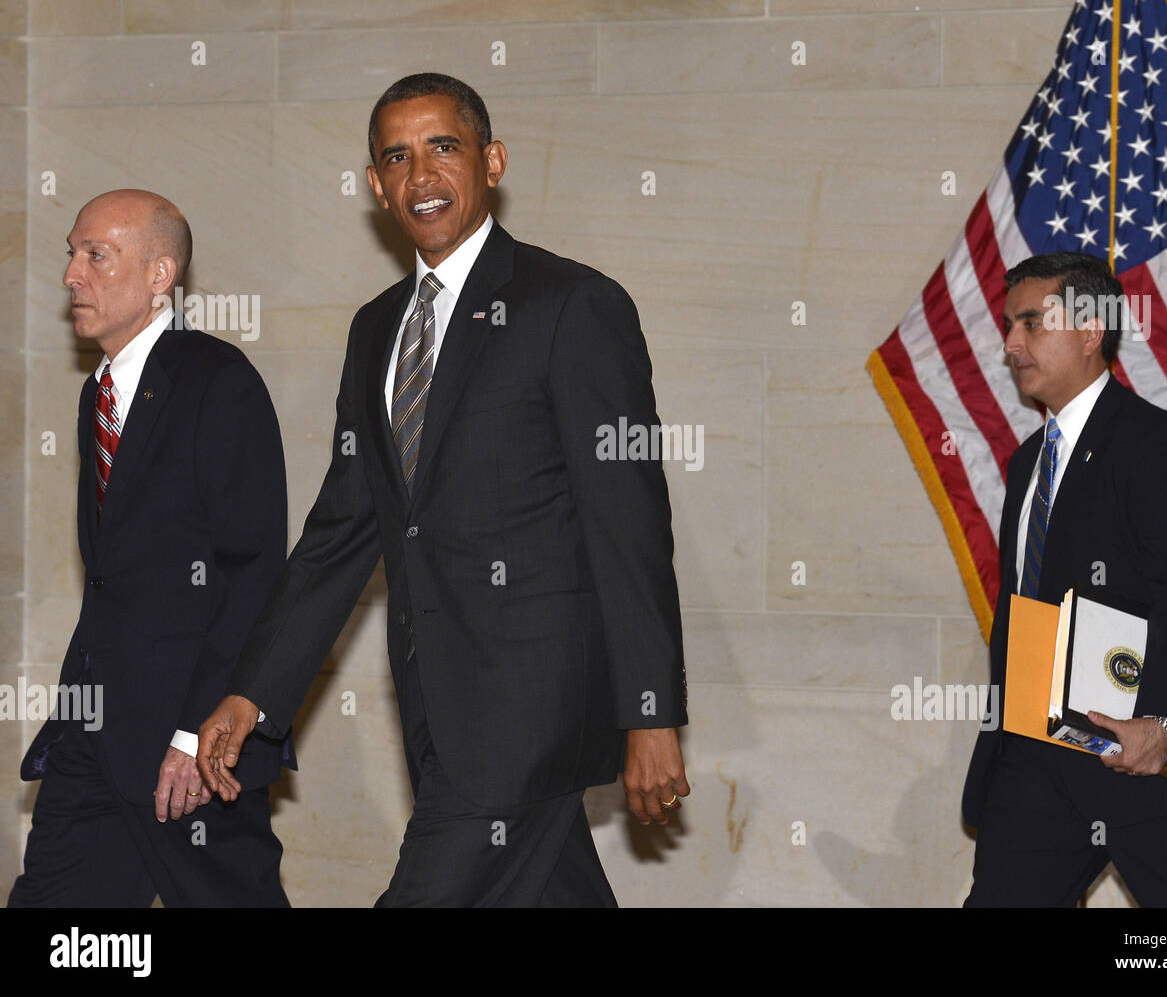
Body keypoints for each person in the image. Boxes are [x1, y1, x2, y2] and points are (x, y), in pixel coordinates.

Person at [197, 73, 689, 907]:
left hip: (530, 710)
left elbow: (627, 522)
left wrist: (651, 712)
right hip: (434, 702)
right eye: (397, 156)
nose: (420, 175)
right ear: (375, 185)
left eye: (443, 147)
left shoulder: (572, 304)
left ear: (491, 161)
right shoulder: (375, 328)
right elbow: (344, 528)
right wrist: (255, 689)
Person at [962, 251, 1167, 907]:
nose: (1011, 342)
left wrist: (1159, 722)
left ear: (1088, 331)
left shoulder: (1157, 444)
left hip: (1140, 754)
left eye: (1029, 322)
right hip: (1034, 766)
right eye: (1007, 325)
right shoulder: (1028, 463)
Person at [9, 190, 292, 907]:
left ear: (161, 274)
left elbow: (253, 573)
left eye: (95, 255)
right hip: (92, 734)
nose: (72, 275)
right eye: (71, 253)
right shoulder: (96, 393)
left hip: (190, 745)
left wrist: (198, 736)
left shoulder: (219, 383)